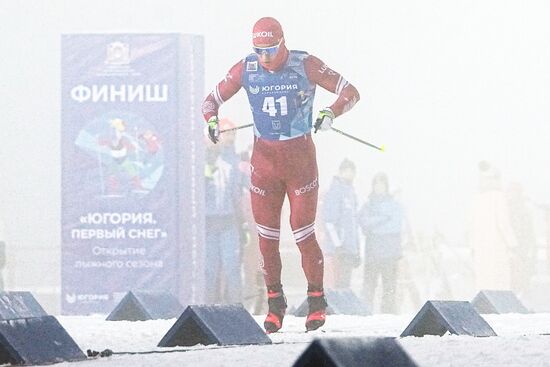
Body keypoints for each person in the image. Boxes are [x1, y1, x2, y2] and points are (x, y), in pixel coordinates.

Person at [201, 17, 360, 332]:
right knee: (266, 239)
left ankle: (317, 302)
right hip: (265, 165)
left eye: (271, 50)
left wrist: (331, 111)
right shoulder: (246, 68)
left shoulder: (305, 64)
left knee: (302, 231)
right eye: (258, 50)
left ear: (282, 42)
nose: (265, 58)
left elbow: (350, 91)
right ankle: (276, 305)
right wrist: (212, 120)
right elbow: (210, 101)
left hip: (300, 163)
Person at [204, 119, 246, 304]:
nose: (231, 138)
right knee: (210, 268)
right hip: (208, 223)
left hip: (229, 222)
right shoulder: (203, 157)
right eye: (227, 134)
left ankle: (235, 307)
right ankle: (208, 307)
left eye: (233, 134)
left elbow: (246, 187)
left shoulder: (237, 160)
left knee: (232, 267)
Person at [467, 161, 518, 292]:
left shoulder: (477, 199)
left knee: (483, 283)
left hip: (480, 248)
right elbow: (503, 223)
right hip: (497, 248)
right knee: (499, 283)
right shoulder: (499, 197)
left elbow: (471, 226)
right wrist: (513, 245)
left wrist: (472, 245)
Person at [358, 172, 404, 314]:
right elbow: (363, 222)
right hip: (372, 252)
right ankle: (365, 313)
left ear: (386, 186)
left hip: (390, 254)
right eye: (376, 184)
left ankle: (388, 313)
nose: (379, 187)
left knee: (389, 287)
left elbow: (395, 226)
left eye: (382, 184)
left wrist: (375, 226)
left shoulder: (395, 206)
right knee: (369, 286)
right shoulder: (367, 205)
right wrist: (384, 219)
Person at [320, 158, 360, 289]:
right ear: (341, 172)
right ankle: (335, 310)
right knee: (338, 284)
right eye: (347, 171)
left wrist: (356, 249)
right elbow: (329, 221)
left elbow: (354, 225)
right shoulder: (335, 191)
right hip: (338, 250)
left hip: (349, 249)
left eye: (352, 171)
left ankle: (343, 309)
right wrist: (338, 245)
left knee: (345, 284)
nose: (350, 174)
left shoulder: (351, 193)